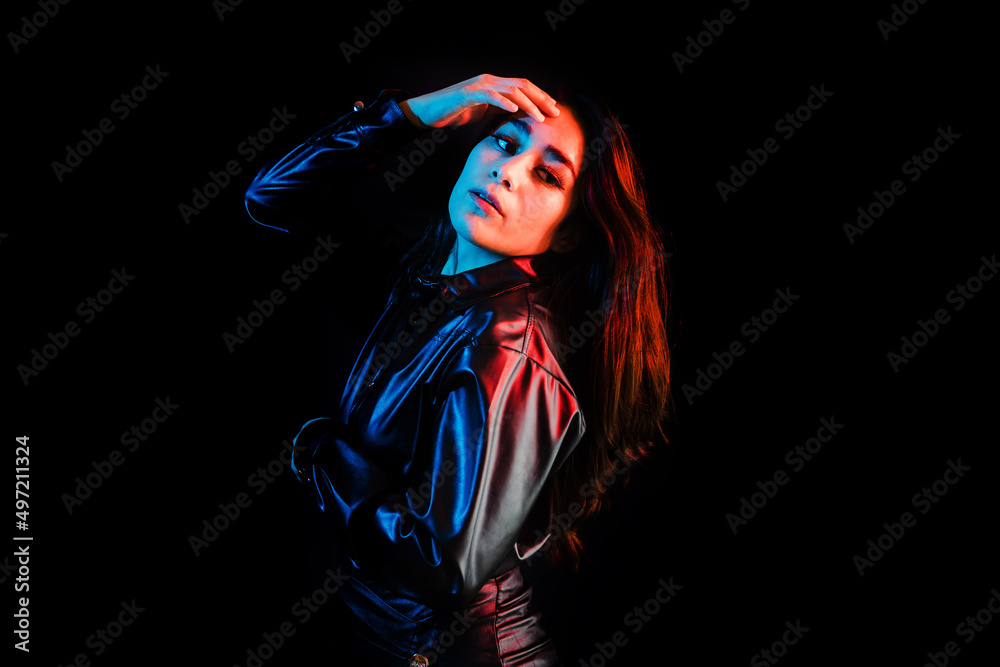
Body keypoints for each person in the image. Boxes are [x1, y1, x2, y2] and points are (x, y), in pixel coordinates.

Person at [244, 74, 673, 665]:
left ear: (568, 233)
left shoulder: (507, 343)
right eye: (504, 141)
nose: (509, 171)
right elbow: (272, 198)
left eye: (548, 175)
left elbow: (442, 567)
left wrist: (324, 452)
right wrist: (411, 114)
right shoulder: (423, 282)